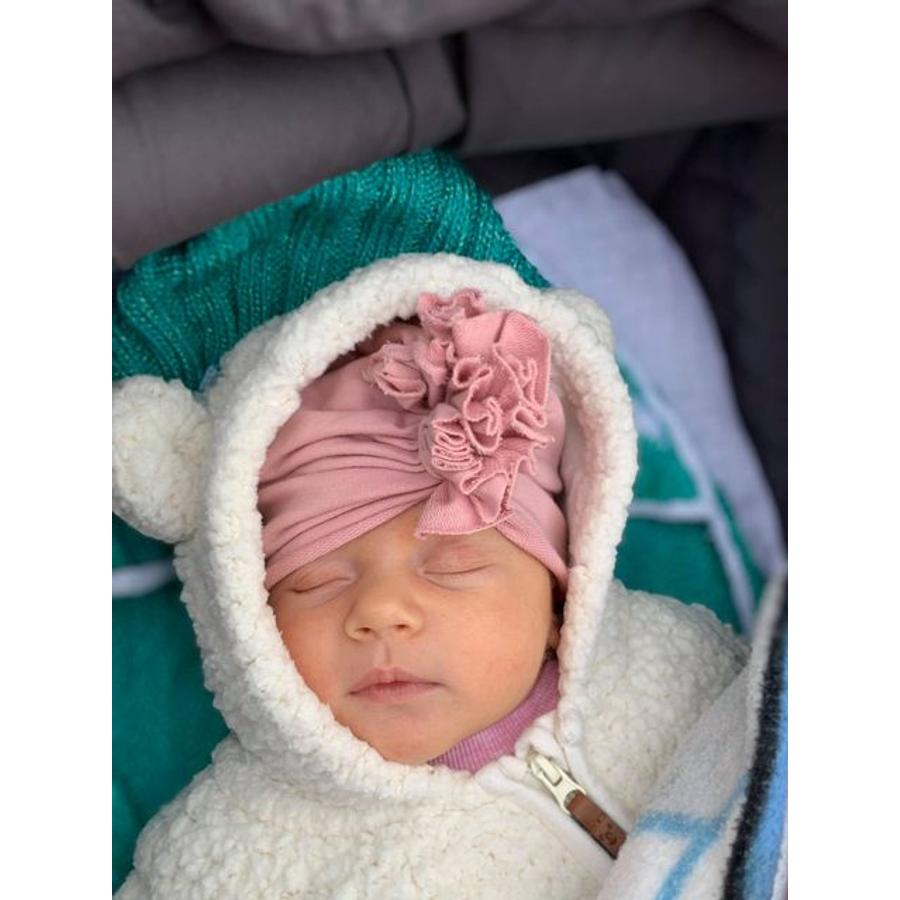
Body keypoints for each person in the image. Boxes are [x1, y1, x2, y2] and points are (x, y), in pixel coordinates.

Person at [112, 254, 747, 899]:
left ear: (559, 602)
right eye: (317, 582)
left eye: (452, 567)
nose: (382, 611)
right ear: (247, 626)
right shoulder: (241, 858)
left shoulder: (677, 669)